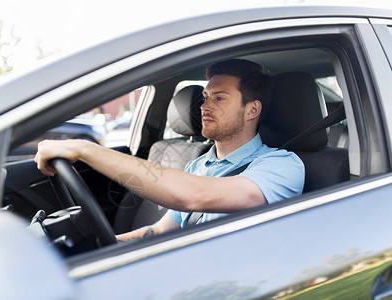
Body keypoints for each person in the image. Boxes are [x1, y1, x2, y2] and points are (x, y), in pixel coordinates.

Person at [34, 59, 305, 242]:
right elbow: (159, 230)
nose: (205, 106)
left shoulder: (281, 165)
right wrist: (106, 247)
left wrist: (85, 149)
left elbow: (194, 196)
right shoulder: (198, 166)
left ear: (252, 109)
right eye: (205, 97)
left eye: (220, 98)